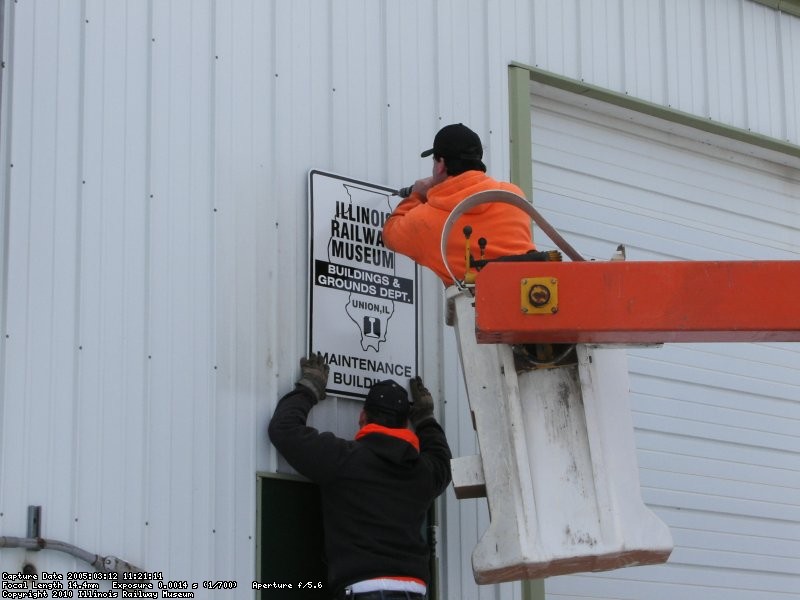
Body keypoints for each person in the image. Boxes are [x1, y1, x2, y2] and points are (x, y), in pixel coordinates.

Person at [268, 353, 452, 600]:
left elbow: (284, 429)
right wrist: (426, 419)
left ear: (363, 418)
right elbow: (443, 461)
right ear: (405, 424)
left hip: (364, 589)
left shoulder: (344, 460)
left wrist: (310, 387)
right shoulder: (421, 472)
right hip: (414, 590)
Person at [383, 123, 536, 286]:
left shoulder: (424, 220)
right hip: (530, 296)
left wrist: (417, 195)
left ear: (441, 164)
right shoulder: (512, 196)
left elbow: (390, 234)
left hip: (480, 307)